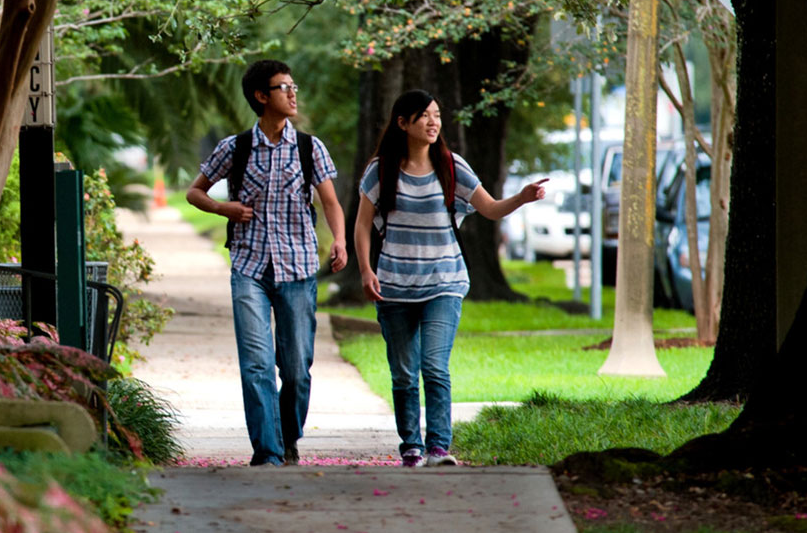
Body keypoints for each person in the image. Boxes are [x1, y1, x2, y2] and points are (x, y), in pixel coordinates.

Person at [353, 90, 545, 467]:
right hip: (394, 285)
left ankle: (439, 447)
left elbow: (489, 208)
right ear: (402, 123)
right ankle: (411, 445)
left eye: (437, 115)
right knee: (405, 373)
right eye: (423, 116)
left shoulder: (451, 166)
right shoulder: (382, 169)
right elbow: (361, 225)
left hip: (445, 281)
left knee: (434, 365)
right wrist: (365, 269)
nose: (433, 122)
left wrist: (521, 197)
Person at [188, 60, 348, 466]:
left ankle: (287, 437)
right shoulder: (234, 148)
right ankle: (269, 452)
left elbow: (330, 202)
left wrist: (341, 241)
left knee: (296, 370)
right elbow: (195, 193)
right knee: (256, 363)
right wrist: (223, 208)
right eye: (283, 88)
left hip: (297, 269)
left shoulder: (310, 148)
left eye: (294, 86)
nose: (293, 94)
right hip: (249, 268)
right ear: (262, 97)